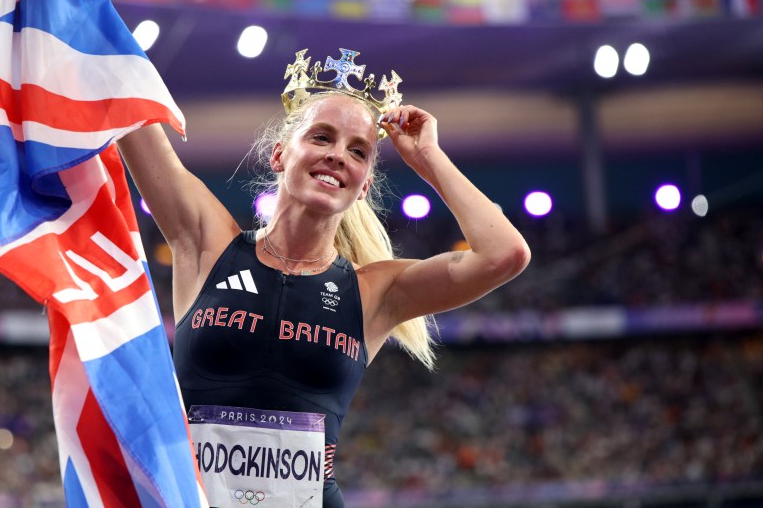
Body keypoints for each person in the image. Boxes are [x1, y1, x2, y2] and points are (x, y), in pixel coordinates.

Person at [117, 48, 530, 508]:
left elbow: (505, 254)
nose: (337, 156)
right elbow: (127, 105)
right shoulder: (209, 245)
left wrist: (429, 158)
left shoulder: (376, 291)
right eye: (321, 138)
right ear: (279, 154)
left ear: (365, 184)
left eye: (358, 151)